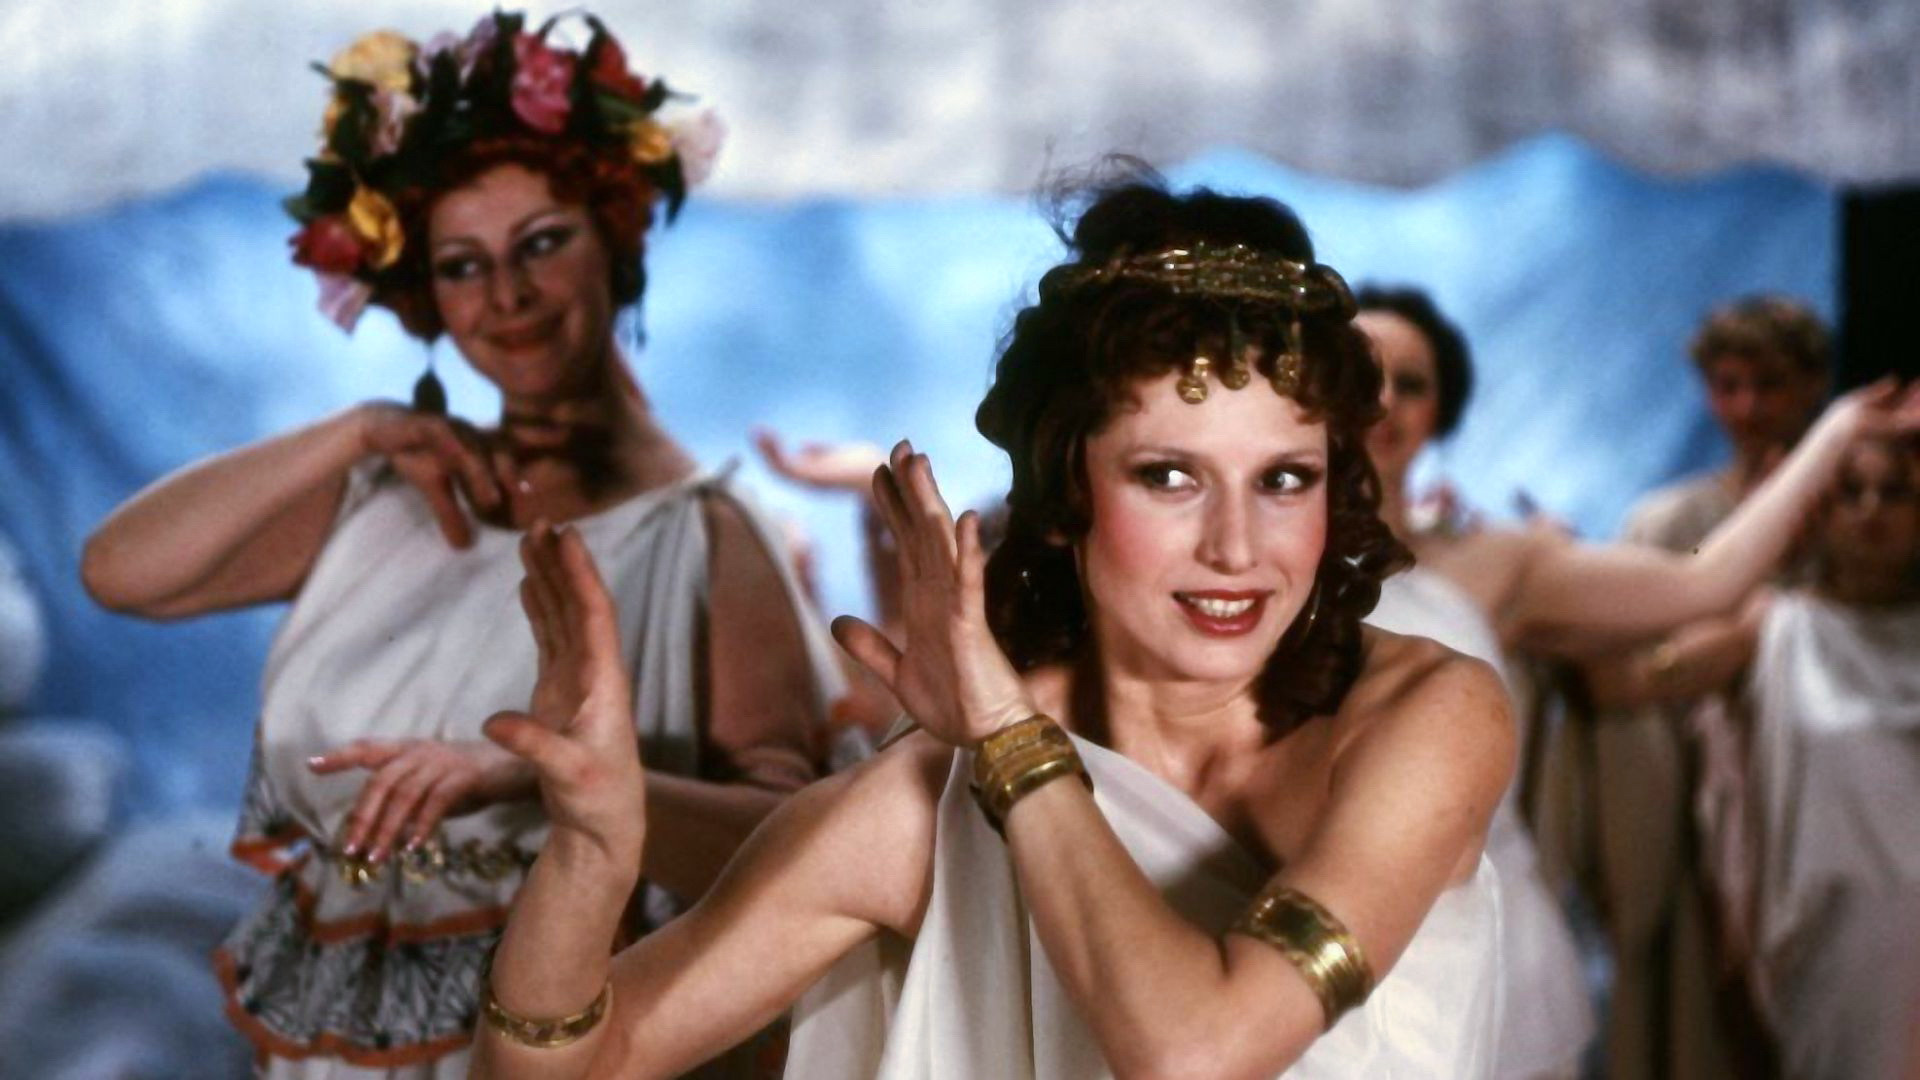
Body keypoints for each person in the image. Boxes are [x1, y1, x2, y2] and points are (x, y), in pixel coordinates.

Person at [473, 178, 1519, 1078]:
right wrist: (590, 857)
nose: (1236, 548)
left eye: (1283, 480)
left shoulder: (1426, 716)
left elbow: (1200, 1054)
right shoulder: (926, 800)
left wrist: (1012, 740)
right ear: (1065, 492)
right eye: (1169, 477)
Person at [80, 13, 837, 1076]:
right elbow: (118, 571)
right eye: (463, 265)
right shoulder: (392, 495)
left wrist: (541, 782)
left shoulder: (708, 532)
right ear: (425, 295)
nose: (507, 297)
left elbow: (793, 848)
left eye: (542, 243)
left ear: (615, 240)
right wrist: (354, 431)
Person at [1351, 286, 1914, 1078]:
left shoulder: (1499, 563)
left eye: (1411, 383)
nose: (1384, 400)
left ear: (1441, 408)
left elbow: (1706, 583)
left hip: (1467, 943)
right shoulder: (1260, 561)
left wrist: (1840, 432)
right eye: (1362, 373)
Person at [1590, 434, 1920, 1080]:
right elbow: (1617, 682)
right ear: (1815, 508)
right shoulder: (1773, 626)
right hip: (1836, 940)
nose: (1872, 510)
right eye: (1851, 492)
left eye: (1896, 492)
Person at [1582, 294, 1831, 1080]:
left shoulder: (1862, 509)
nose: (1748, 408)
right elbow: (1615, 674)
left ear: (1814, 386)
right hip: (1690, 800)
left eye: (1770, 383)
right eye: (1729, 386)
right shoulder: (1668, 521)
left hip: (1827, 798)